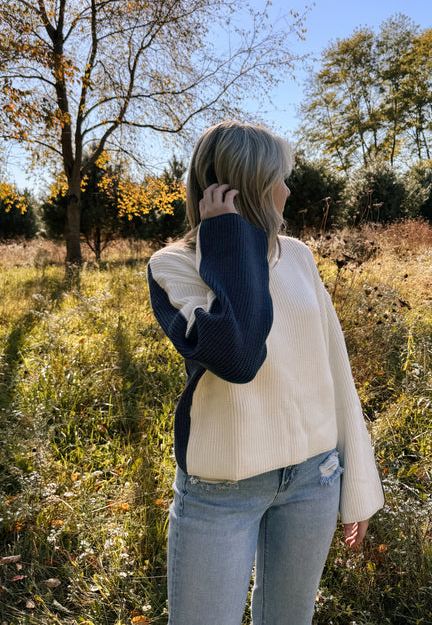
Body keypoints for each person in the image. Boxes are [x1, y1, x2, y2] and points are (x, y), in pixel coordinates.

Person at [147, 121, 384, 625]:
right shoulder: (173, 266)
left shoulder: (297, 256)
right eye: (281, 176)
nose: (289, 189)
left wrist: (358, 485)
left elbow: (335, 368)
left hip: (312, 481)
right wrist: (231, 239)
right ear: (250, 185)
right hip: (220, 493)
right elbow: (237, 355)